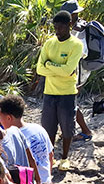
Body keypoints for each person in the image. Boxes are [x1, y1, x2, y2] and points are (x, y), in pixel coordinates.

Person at [36, 10, 84, 171]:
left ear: (69, 25)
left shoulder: (76, 45)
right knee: (48, 127)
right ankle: (51, 157)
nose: (58, 30)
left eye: (61, 27)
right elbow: (39, 69)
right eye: (55, 27)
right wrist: (58, 68)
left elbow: (68, 70)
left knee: (67, 127)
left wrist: (49, 65)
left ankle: (65, 157)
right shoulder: (49, 43)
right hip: (49, 93)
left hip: (67, 93)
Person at [0, 95, 54, 184]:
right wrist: (47, 178)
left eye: (0, 118)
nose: (0, 122)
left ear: (9, 118)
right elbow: (50, 155)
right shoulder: (39, 129)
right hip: (46, 183)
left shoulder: (11, 138)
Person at [60, 0, 95, 141]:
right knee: (68, 102)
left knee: (70, 102)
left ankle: (86, 131)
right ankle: (71, 130)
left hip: (78, 73)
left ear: (73, 15)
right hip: (77, 71)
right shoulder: (76, 27)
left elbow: (82, 52)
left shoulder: (78, 30)